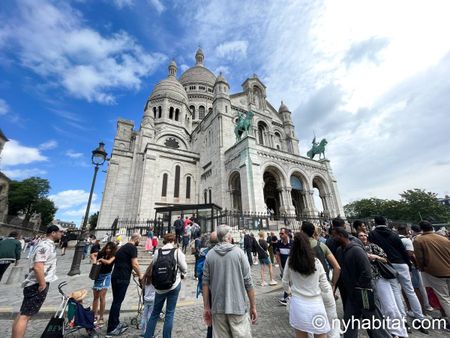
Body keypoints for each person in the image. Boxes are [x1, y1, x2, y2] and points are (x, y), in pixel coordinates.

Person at [368, 216, 428, 334]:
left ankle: (403, 321)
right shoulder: (393, 234)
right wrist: (409, 266)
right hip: (401, 263)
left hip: (388, 265)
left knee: (396, 293)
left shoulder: (372, 234)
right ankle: (420, 319)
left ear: (375, 223)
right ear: (385, 222)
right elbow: (403, 251)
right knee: (410, 291)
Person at [333, 227, 391, 338]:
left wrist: (360, 287)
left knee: (375, 321)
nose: (333, 238)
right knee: (349, 321)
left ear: (340, 235)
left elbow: (367, 272)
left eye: (334, 235)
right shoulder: (340, 251)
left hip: (364, 292)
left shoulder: (357, 250)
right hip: (352, 293)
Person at [202, 225, 257, 338]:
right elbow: (248, 282)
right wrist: (253, 306)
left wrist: (207, 307)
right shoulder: (240, 253)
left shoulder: (210, 255)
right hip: (238, 307)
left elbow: (205, 283)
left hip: (217, 308)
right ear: (229, 236)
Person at [11, 225, 63, 338]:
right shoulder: (45, 245)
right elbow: (38, 266)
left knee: (22, 313)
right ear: (53, 233)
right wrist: (42, 283)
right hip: (37, 283)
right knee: (25, 316)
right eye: (60, 232)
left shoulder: (46, 244)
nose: (62, 234)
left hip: (35, 282)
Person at [282, 232, 335, 338]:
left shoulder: (290, 261)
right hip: (316, 305)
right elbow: (325, 287)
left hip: (298, 305)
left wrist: (290, 292)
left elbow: (284, 282)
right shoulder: (316, 262)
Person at [357, 231, 408, 338]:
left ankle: (398, 331)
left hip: (380, 278)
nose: (363, 237)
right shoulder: (357, 249)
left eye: (365, 235)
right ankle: (385, 330)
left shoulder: (373, 246)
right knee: (376, 308)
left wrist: (375, 257)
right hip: (367, 281)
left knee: (389, 305)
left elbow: (385, 259)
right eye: (360, 236)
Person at [144, 233, 187, 338]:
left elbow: (153, 267)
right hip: (173, 285)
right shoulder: (177, 251)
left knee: (154, 313)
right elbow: (185, 268)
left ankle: (148, 335)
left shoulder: (157, 252)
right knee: (169, 313)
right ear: (174, 241)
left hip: (159, 288)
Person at [414, 220, 450, 327]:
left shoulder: (419, 240)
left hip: (435, 272)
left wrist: (421, 268)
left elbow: (419, 258)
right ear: (432, 227)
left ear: (421, 229)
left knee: (445, 298)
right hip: (447, 269)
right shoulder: (444, 238)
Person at [106, 233, 143, 337]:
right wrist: (140, 274)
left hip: (115, 276)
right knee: (117, 302)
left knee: (116, 301)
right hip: (122, 278)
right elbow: (135, 263)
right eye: (139, 240)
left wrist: (131, 271)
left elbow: (124, 263)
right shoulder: (132, 248)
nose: (139, 242)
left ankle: (116, 323)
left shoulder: (122, 248)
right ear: (136, 239)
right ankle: (112, 328)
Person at [397, 224, 433, 313]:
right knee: (417, 288)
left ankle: (410, 309)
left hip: (402, 266)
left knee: (405, 288)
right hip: (412, 266)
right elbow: (411, 254)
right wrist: (418, 265)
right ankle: (423, 310)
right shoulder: (407, 240)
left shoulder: (395, 240)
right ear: (406, 230)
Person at [91, 241, 117, 327]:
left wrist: (101, 260)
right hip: (98, 275)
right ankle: (94, 316)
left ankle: (101, 317)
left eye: (110, 248)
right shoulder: (101, 253)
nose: (108, 250)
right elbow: (93, 254)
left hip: (106, 276)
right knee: (95, 297)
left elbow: (109, 262)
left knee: (102, 297)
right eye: (107, 248)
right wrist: (95, 261)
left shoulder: (114, 255)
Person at [275, 227, 292, 305]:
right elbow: (278, 255)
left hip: (291, 267)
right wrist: (280, 267)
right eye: (280, 233)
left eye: (282, 233)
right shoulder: (279, 243)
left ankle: (288, 297)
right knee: (285, 282)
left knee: (291, 282)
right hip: (283, 266)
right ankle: (287, 297)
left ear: (287, 234)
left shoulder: (292, 243)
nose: (280, 235)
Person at [140, 263, 156, 336]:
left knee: (144, 316)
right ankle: (150, 333)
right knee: (150, 316)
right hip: (153, 299)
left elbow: (142, 287)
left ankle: (143, 332)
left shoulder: (145, 277)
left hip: (146, 299)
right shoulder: (155, 277)